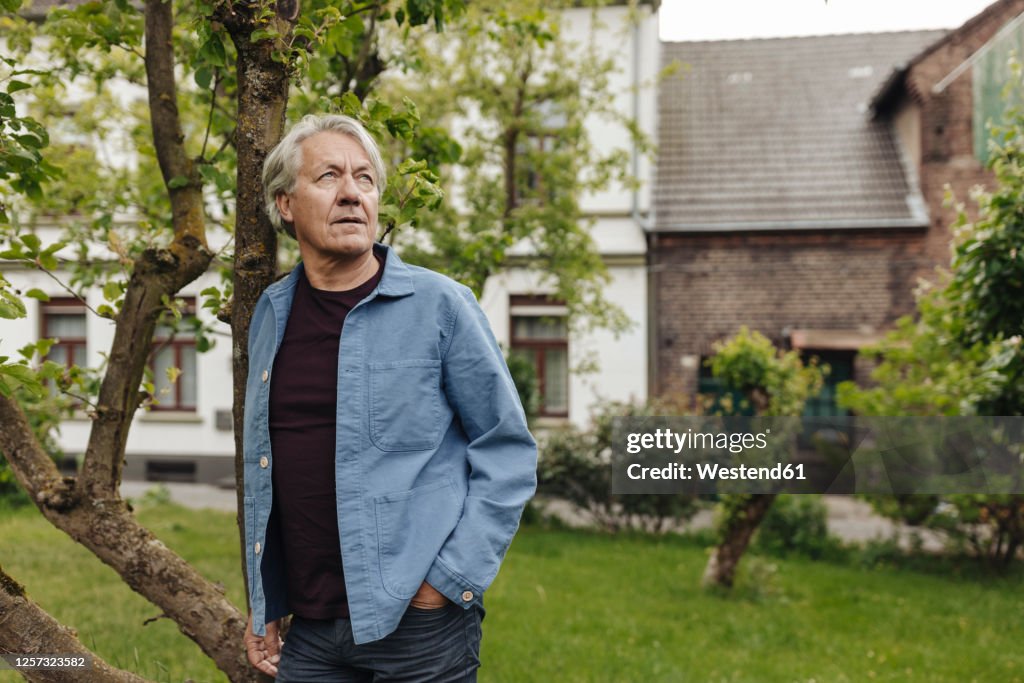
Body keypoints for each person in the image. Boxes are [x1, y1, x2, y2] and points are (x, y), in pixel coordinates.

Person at [241, 114, 537, 681]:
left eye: (365, 179)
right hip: (309, 626)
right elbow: (264, 468)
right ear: (285, 204)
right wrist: (264, 601)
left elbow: (507, 450)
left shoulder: (442, 306)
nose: (352, 193)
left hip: (419, 624)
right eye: (328, 176)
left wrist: (447, 582)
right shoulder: (272, 314)